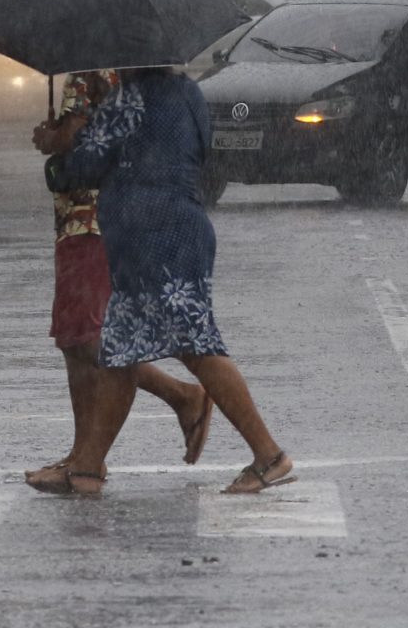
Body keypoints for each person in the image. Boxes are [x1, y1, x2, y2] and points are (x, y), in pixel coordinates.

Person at [34, 66, 293, 497]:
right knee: (121, 350)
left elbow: (84, 164)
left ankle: (269, 455)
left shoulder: (127, 100)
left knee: (196, 346)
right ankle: (87, 468)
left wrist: (57, 146)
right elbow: (191, 148)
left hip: (155, 234)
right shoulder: (187, 91)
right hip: (176, 225)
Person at [22, 71, 209, 498]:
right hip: (80, 219)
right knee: (75, 342)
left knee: (90, 340)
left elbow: (85, 135)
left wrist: (54, 138)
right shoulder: (105, 65)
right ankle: (81, 455)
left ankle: (182, 398)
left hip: (93, 221)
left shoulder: (96, 66)